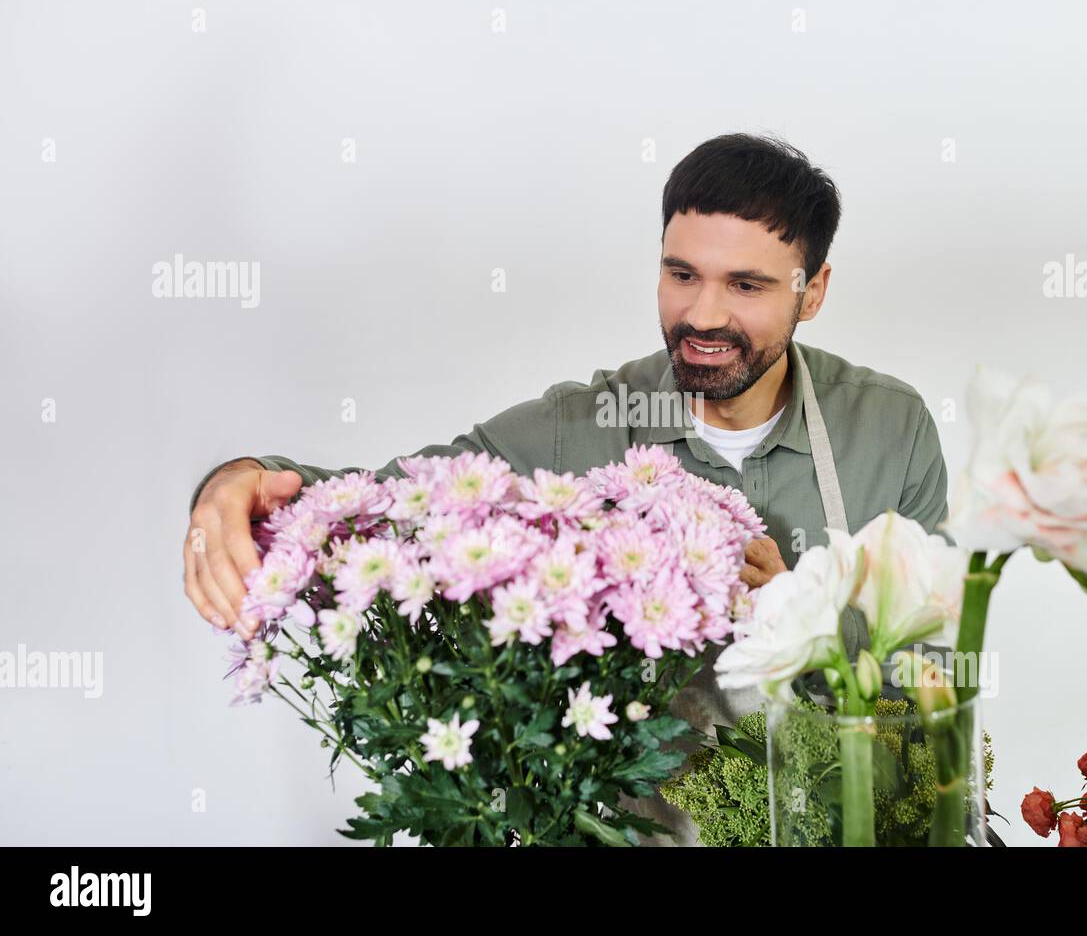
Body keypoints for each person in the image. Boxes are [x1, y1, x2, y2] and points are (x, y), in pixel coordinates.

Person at [183, 132, 950, 845]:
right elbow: (390, 501)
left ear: (811, 291)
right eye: (682, 275)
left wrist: (811, 622)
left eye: (745, 285)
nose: (703, 314)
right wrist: (237, 484)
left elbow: (932, 682)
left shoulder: (891, 430)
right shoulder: (574, 433)